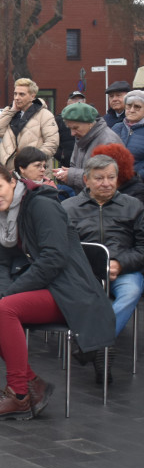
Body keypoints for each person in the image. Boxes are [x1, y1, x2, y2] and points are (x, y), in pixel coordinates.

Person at [0, 163, 115, 420]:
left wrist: (9, 293)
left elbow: (54, 258)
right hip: (43, 287)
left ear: (12, 182)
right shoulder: (2, 218)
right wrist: (4, 290)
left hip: (72, 291)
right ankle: (32, 383)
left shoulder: (41, 205)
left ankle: (18, 394)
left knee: (6, 307)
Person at [63, 154, 144, 383]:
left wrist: (121, 263)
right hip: (83, 273)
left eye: (111, 177)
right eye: (99, 178)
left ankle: (90, 342)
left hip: (124, 271)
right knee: (80, 296)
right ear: (86, 180)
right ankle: (100, 347)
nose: (106, 183)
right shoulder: (68, 208)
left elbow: (143, 247)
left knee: (131, 293)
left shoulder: (134, 206)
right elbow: (62, 248)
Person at [0, 77, 59, 169]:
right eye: (15, 94)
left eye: (21, 94)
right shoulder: (12, 113)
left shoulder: (45, 115)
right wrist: (11, 111)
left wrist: (33, 161)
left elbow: (52, 143)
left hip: (33, 171)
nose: (16, 98)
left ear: (32, 96)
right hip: (9, 170)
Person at [53, 102, 122, 191]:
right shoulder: (83, 136)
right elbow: (75, 166)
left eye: (75, 128)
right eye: (70, 128)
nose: (72, 133)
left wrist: (71, 175)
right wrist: (68, 173)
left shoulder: (108, 141)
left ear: (90, 123)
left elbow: (106, 179)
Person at [113, 89, 144, 175]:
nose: (132, 110)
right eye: (129, 106)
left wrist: (135, 177)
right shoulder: (116, 128)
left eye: (137, 107)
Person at [54, 91, 86, 167]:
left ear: (85, 102)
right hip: (65, 163)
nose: (77, 102)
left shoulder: (89, 120)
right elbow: (53, 140)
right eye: (74, 99)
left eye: (80, 100)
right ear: (68, 103)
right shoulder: (59, 120)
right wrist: (61, 156)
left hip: (85, 162)